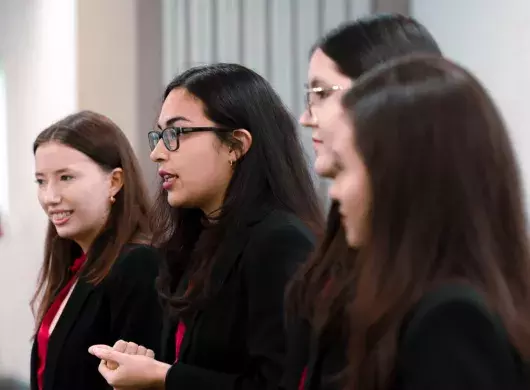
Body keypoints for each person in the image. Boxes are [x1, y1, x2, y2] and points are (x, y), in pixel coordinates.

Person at [88, 63, 324, 390]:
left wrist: (162, 376)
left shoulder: (280, 241)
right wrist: (145, 370)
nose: (157, 153)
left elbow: (278, 383)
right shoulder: (196, 242)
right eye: (159, 135)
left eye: (176, 134)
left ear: (235, 145)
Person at [320, 54, 530, 389]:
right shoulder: (412, 298)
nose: (334, 192)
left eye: (343, 168)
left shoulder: (451, 320)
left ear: (400, 178)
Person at [283, 14, 442, 390]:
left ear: (386, 95)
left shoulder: (444, 299)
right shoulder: (343, 240)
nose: (305, 118)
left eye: (321, 94)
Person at [30, 110, 164, 390]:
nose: (49, 197)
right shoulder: (77, 265)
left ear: (114, 181)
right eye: (41, 181)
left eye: (66, 178)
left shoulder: (139, 264)